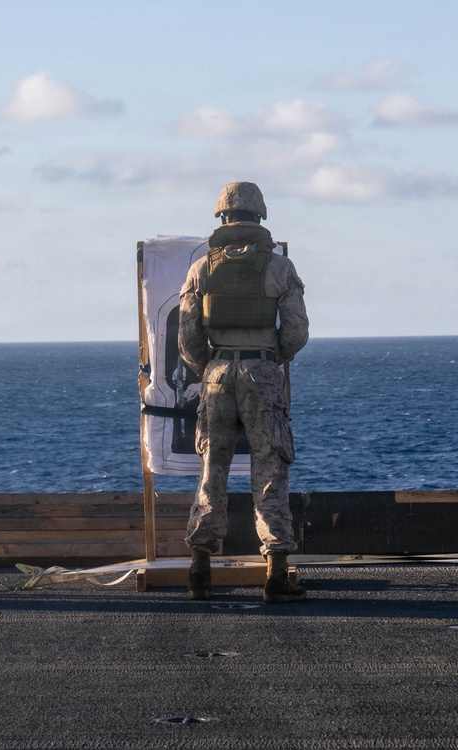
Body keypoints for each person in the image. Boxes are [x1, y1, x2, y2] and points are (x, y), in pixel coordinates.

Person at [178, 182, 309, 604]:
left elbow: (187, 337)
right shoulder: (279, 268)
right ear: (260, 217)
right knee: (269, 469)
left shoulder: (201, 269)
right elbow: (297, 332)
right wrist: (269, 360)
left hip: (217, 373)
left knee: (211, 470)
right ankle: (276, 572)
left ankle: (200, 568)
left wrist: (212, 367)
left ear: (221, 218)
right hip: (263, 371)